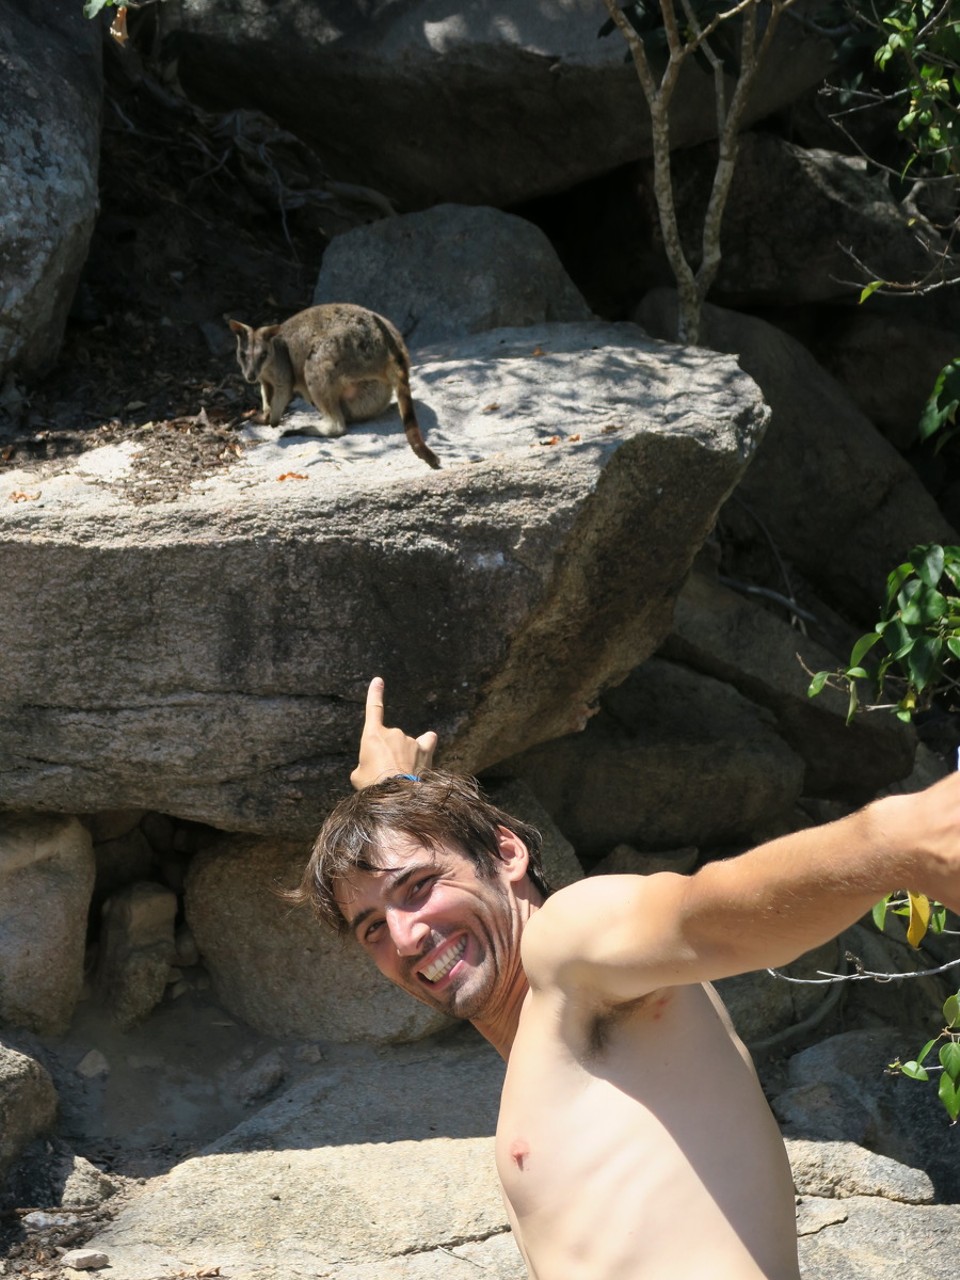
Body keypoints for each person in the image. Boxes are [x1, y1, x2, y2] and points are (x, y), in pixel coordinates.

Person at [293, 675, 960, 1280]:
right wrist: (394, 798)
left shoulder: (570, 941)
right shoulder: (550, 1027)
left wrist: (896, 840)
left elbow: (711, 916)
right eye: (372, 928)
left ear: (507, 853)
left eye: (419, 887)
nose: (405, 936)